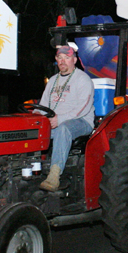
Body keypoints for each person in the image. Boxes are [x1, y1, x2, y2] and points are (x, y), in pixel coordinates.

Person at [38, 44, 95, 191]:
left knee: (63, 129)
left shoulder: (83, 79)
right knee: (32, 130)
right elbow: (43, 104)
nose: (62, 61)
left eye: (67, 58)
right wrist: (36, 117)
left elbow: (83, 107)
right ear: (56, 59)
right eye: (60, 58)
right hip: (55, 121)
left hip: (81, 121)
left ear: (74, 60)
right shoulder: (52, 81)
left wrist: (60, 119)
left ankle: (54, 175)